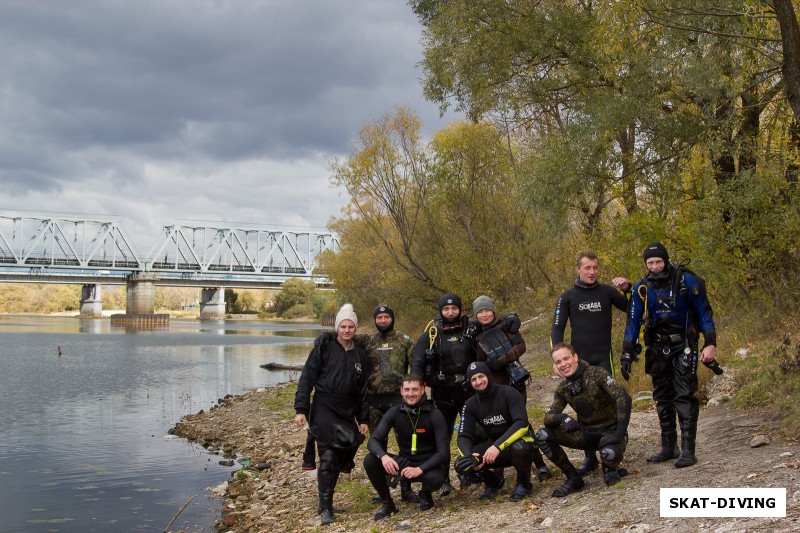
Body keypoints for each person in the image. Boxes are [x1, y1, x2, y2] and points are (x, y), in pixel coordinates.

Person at [621, 242, 717, 469]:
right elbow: (632, 322)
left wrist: (710, 343)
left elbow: (704, 313)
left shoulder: (687, 282)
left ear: (666, 260)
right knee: (662, 397)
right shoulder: (641, 288)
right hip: (656, 348)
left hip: (683, 344)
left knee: (684, 395)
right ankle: (669, 446)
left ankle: (688, 450)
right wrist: (627, 352)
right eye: (650, 262)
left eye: (658, 262)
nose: (654, 266)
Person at [550, 251, 629, 475]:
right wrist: (556, 359)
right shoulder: (567, 297)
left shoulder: (607, 292)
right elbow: (557, 328)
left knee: (609, 401)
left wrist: (628, 289)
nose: (592, 272)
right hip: (579, 359)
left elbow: (632, 308)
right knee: (582, 404)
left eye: (595, 268)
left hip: (603, 356)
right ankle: (590, 456)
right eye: (587, 268)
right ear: (578, 269)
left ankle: (611, 451)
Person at [294, 304, 369, 525]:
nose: (346, 330)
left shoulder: (360, 354)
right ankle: (325, 508)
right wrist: (301, 410)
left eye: (350, 327)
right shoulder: (324, 348)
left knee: (339, 454)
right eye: (343, 326)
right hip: (324, 407)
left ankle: (327, 502)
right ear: (337, 328)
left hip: (346, 410)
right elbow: (306, 378)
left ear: (355, 329)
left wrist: (363, 418)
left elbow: (363, 389)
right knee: (327, 456)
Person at [535, 343, 632, 497]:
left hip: (610, 433)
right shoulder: (563, 387)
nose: (563, 364)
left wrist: (619, 433)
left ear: (575, 357)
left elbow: (623, 396)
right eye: (558, 362)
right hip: (586, 434)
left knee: (609, 455)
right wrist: (563, 418)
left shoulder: (596, 373)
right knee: (542, 435)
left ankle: (610, 468)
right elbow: (548, 417)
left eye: (566, 358)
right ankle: (573, 478)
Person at [471, 294, 550, 481]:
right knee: (496, 426)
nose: (484, 314)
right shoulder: (476, 335)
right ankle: (499, 468)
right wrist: (490, 366)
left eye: (486, 310)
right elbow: (478, 362)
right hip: (493, 388)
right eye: (480, 312)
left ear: (493, 311)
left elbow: (521, 346)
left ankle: (539, 464)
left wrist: (504, 359)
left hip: (515, 382)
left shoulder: (506, 325)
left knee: (521, 423)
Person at [410, 293, 477, 495]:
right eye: (446, 309)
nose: (450, 312)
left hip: (468, 390)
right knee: (442, 437)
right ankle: (444, 478)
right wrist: (417, 389)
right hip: (442, 392)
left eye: (454, 308)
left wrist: (509, 325)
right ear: (440, 311)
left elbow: (492, 329)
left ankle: (469, 472)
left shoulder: (470, 329)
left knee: (472, 432)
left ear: (459, 309)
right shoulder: (431, 334)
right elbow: (417, 363)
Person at [363, 374, 450, 521]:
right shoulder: (394, 412)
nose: (411, 394)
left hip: (428, 465)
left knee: (435, 478)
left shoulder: (435, 414)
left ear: (423, 390)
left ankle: (425, 493)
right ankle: (388, 504)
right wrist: (383, 457)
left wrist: (419, 469)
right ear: (401, 391)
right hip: (405, 463)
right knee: (370, 460)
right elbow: (373, 441)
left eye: (415, 389)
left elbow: (444, 453)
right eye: (407, 390)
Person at [455, 361, 537, 502]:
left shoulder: (509, 393)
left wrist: (497, 446)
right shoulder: (470, 404)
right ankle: (493, 482)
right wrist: (470, 457)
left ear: (488, 375)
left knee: (520, 448)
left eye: (481, 376)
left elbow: (522, 424)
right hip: (493, 448)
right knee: (462, 462)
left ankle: (524, 484)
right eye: (473, 379)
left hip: (518, 444)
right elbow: (464, 436)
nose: (478, 381)